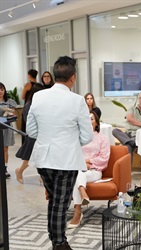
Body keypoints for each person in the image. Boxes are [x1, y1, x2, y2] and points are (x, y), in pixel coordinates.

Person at [27, 56, 93, 250]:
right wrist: (70, 142)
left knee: (55, 199)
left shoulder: (38, 96)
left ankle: (55, 238)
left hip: (43, 158)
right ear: (73, 77)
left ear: (55, 75)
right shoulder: (77, 100)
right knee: (60, 202)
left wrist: (48, 138)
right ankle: (59, 243)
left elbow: (31, 131)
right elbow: (87, 135)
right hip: (66, 159)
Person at [67, 111, 110, 229]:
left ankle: (78, 213)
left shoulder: (102, 139)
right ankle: (81, 199)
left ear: (96, 123)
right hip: (80, 169)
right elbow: (73, 154)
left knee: (78, 173)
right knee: (79, 173)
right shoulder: (78, 138)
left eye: (91, 119)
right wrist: (82, 163)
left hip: (95, 171)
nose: (89, 121)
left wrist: (88, 162)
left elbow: (104, 158)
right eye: (86, 119)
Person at [15, 84, 45, 184]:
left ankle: (42, 176)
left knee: (41, 156)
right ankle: (19, 171)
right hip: (33, 135)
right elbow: (28, 122)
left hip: (42, 134)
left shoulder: (42, 104)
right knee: (30, 157)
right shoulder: (28, 105)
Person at [0, 82, 17, 178]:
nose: (0, 91)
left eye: (2, 89)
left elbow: (13, 111)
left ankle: (5, 168)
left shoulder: (10, 101)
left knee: (5, 148)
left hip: (7, 127)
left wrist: (9, 112)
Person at [21, 69, 38, 144]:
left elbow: (22, 96)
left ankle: (25, 143)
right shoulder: (38, 85)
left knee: (25, 126)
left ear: (29, 76)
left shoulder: (27, 85)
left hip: (27, 107)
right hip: (36, 106)